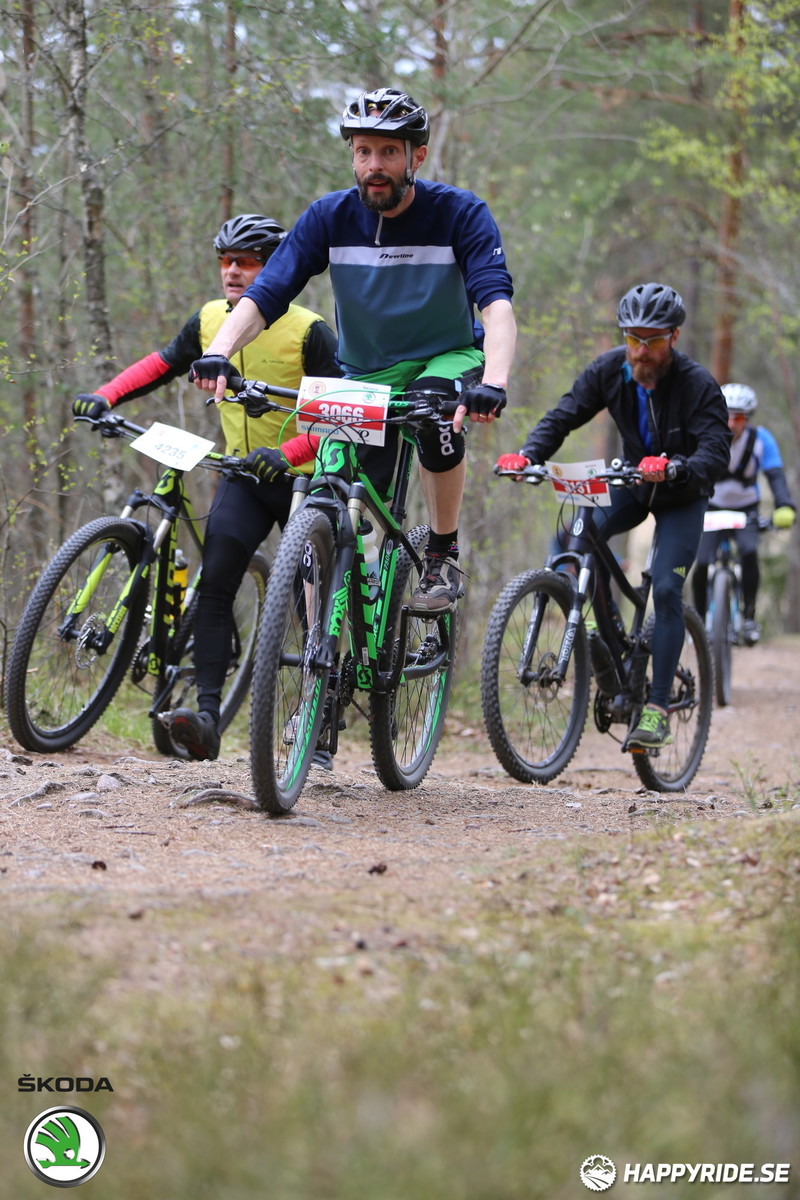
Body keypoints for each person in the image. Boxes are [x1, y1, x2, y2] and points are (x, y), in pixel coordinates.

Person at [188, 86, 516, 614]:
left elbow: (496, 305)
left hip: (445, 358)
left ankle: (440, 550)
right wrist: (220, 351)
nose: (374, 166)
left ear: (417, 156)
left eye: (389, 151)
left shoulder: (460, 214)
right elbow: (268, 292)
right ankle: (322, 661)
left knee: (435, 411)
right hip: (364, 373)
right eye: (363, 152)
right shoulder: (329, 216)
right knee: (329, 496)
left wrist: (494, 382)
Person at [72, 213, 339, 762]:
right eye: (225, 261)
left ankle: (321, 707)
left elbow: (336, 420)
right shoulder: (211, 321)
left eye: (246, 262)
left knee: (313, 601)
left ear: (276, 267)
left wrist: (287, 455)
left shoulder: (311, 331)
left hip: (306, 477)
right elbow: (163, 364)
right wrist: (106, 395)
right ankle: (209, 718)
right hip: (244, 475)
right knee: (216, 583)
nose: (233, 273)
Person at [496, 281, 731, 750]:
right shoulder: (609, 370)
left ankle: (658, 708)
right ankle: (610, 656)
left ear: (674, 338)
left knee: (665, 588)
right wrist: (528, 454)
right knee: (575, 541)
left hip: (682, 492)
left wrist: (678, 466)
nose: (642, 351)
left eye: (654, 340)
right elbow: (564, 415)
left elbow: (716, 452)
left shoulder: (697, 384)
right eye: (633, 339)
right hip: (633, 485)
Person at [690, 383, 796, 644]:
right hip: (711, 507)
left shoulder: (761, 441)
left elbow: (775, 476)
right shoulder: (706, 435)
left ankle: (748, 617)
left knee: (749, 552)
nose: (731, 423)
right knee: (702, 561)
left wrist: (784, 505)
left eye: (737, 417)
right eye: (726, 415)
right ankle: (700, 622)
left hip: (746, 510)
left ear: (746, 419)